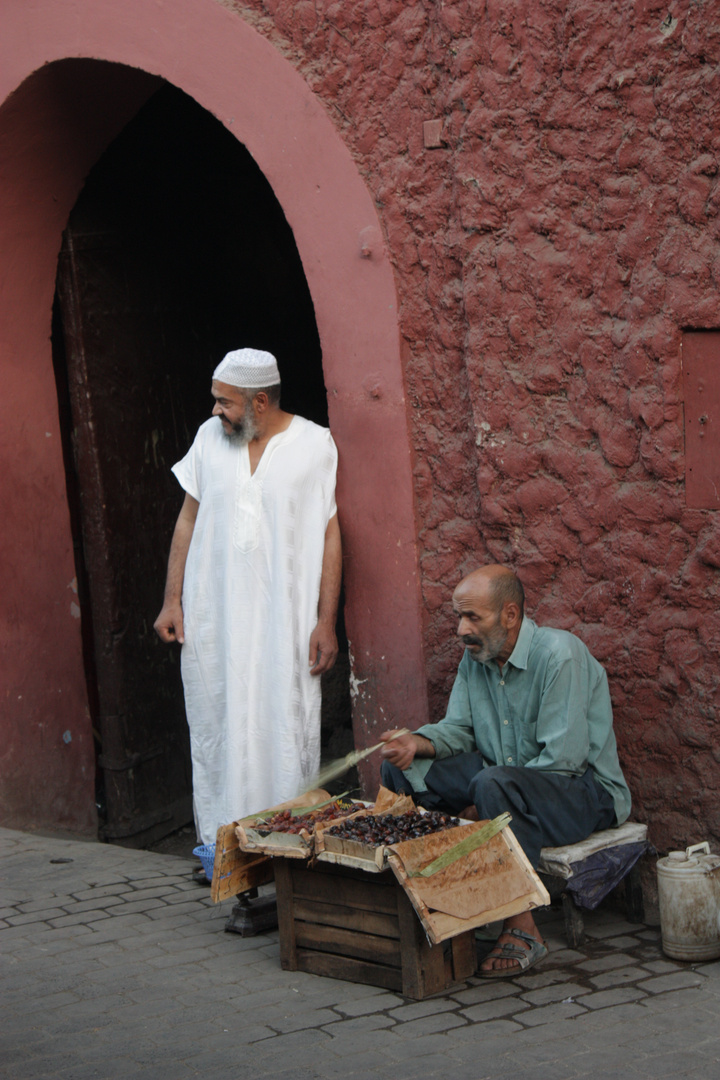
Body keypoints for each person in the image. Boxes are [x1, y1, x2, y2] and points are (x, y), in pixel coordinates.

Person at [379, 564, 631, 978]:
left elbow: (562, 761)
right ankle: (443, 898)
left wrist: (482, 806)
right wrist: (415, 743)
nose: (461, 629)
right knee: (402, 772)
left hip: (583, 793)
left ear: (510, 615)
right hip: (503, 781)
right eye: (459, 616)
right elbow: (459, 729)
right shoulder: (475, 659)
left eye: (472, 617)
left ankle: (523, 926)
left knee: (492, 784)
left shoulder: (559, 655)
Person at [154, 348, 341, 846]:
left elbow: (329, 534)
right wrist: (172, 600)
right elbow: (187, 520)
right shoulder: (207, 440)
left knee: (282, 724)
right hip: (215, 622)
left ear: (260, 402)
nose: (216, 411)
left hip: (285, 625)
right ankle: (223, 845)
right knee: (219, 721)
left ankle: (279, 845)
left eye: (225, 402)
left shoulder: (315, 445)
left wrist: (326, 621)